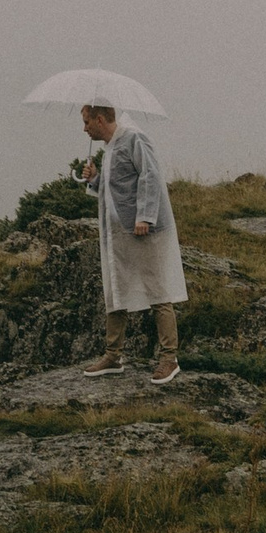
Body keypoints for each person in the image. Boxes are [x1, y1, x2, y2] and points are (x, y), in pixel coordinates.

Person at [79, 98, 185, 382]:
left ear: (100, 119)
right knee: (116, 289)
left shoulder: (134, 138)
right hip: (118, 234)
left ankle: (169, 359)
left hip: (143, 230)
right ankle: (113, 356)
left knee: (158, 291)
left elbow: (150, 176)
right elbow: (117, 190)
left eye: (87, 122)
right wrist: (95, 179)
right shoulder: (109, 149)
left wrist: (145, 217)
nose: (85, 129)